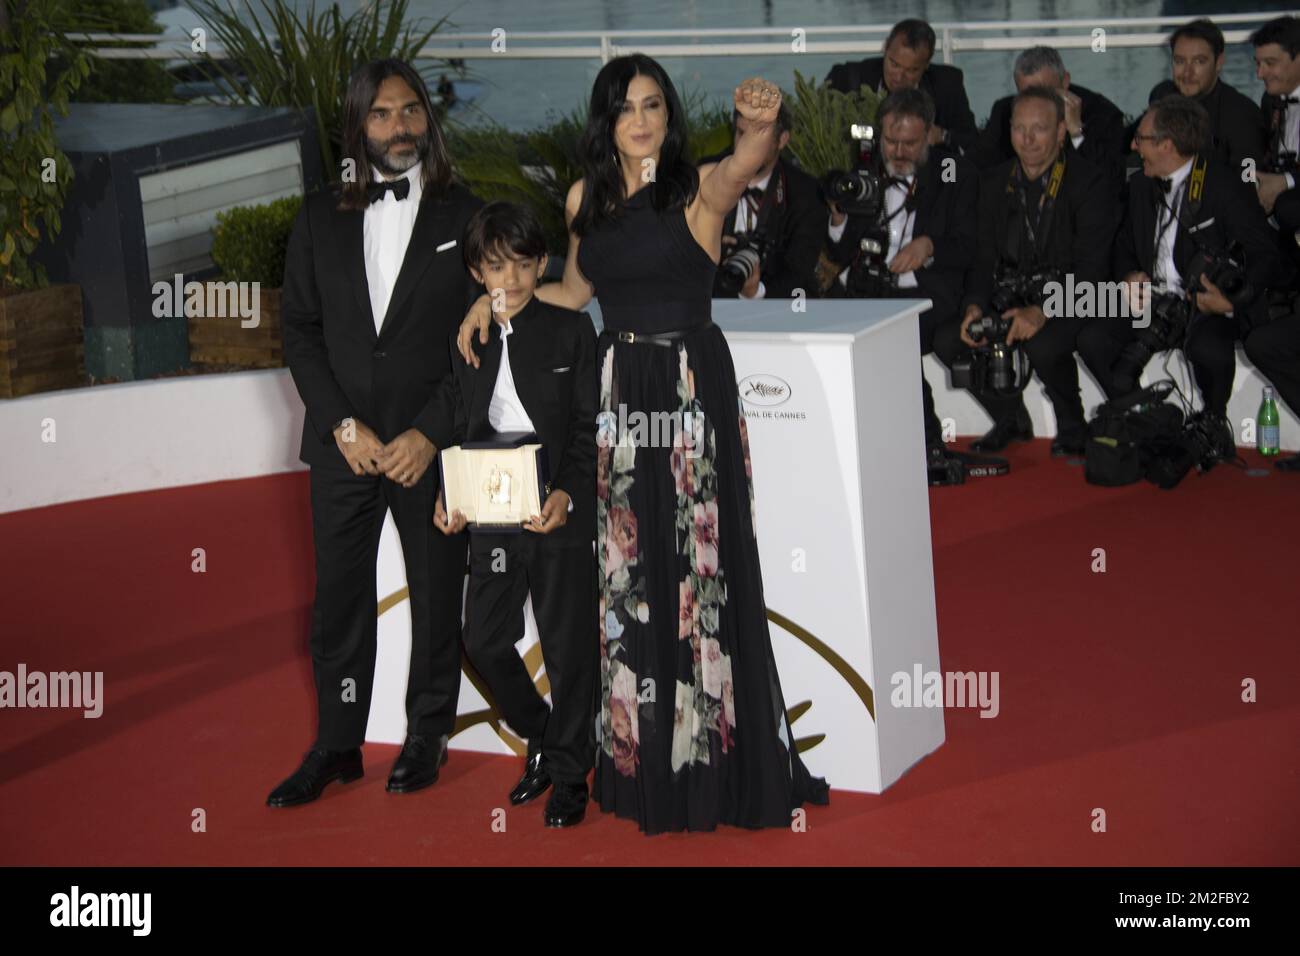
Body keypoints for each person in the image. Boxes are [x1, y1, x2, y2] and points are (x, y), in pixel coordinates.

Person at [457, 54, 830, 834]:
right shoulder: (584, 200)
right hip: (620, 386)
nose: (641, 118)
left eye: (653, 104)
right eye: (625, 106)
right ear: (606, 119)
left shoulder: (695, 188)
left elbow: (744, 165)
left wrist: (757, 126)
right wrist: (494, 303)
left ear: (667, 116)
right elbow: (573, 292)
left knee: (699, 573)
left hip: (690, 385)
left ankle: (711, 762)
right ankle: (643, 759)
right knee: (632, 577)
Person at [268, 59, 483, 807]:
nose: (401, 127)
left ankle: (428, 734)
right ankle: (336, 743)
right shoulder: (317, 215)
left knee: (434, 594)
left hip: (428, 448)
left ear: (429, 117)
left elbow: (482, 341)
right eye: (383, 115)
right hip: (343, 448)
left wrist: (429, 432)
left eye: (412, 111)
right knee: (338, 605)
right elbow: (299, 332)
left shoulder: (467, 216)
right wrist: (342, 425)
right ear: (358, 126)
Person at [433, 201, 598, 827]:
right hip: (492, 504)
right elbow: (456, 420)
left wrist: (567, 493)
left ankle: (568, 774)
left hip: (554, 503)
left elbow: (588, 428)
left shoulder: (570, 332)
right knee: (482, 638)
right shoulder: (467, 337)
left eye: (523, 266)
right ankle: (547, 734)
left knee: (566, 644)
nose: (510, 280)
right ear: (476, 270)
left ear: (543, 265)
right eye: (496, 267)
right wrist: (445, 494)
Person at [1077, 95, 1290, 459]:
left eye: (1140, 139)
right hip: (1154, 300)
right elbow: (1124, 243)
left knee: (1207, 347)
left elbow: (1265, 254)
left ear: (1166, 145)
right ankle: (1136, 417)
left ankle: (1212, 423)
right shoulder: (1141, 184)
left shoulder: (1224, 185)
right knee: (1093, 337)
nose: (1133, 145)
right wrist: (1129, 274)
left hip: (1208, 304)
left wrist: (1232, 299)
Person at [937, 86, 1118, 457]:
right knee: (950, 339)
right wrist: (974, 305)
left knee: (1045, 342)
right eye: (1020, 129)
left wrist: (1042, 311)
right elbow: (983, 257)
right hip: (1013, 291)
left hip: (1076, 293)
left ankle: (1072, 424)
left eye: (1039, 129)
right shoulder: (992, 183)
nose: (1028, 139)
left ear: (1060, 132)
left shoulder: (1089, 181)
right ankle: (1011, 417)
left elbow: (1093, 269)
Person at [823, 87, 979, 459]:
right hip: (866, 289)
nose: (898, 152)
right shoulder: (865, 172)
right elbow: (839, 252)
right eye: (890, 141)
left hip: (924, 293)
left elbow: (972, 246)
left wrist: (929, 247)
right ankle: (839, 436)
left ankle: (927, 440)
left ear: (929, 135)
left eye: (909, 143)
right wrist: (837, 219)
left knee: (891, 341)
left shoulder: (953, 172)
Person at [699, 100, 825, 301]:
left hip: (781, 312)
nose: (746, 147)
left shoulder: (805, 193)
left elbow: (799, 271)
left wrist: (756, 292)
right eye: (741, 133)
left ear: (782, 140)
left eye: (758, 136)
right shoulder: (707, 175)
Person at [972, 46, 1126, 197]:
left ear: (1065, 81)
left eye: (1044, 93)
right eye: (1027, 95)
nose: (1036, 104)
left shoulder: (1101, 113)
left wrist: (1076, 133)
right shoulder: (1005, 112)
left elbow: (1112, 180)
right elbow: (977, 166)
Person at [826, 18, 978, 153]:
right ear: (885, 48)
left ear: (926, 65)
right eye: (894, 64)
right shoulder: (848, 77)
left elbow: (973, 141)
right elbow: (823, 130)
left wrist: (943, 136)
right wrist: (871, 133)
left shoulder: (947, 84)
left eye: (911, 70)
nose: (899, 77)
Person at [1140, 19, 1264, 175]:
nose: (1187, 73)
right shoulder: (1162, 96)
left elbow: (1248, 181)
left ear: (1218, 62)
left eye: (1199, 61)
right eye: (1180, 61)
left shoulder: (1241, 114)